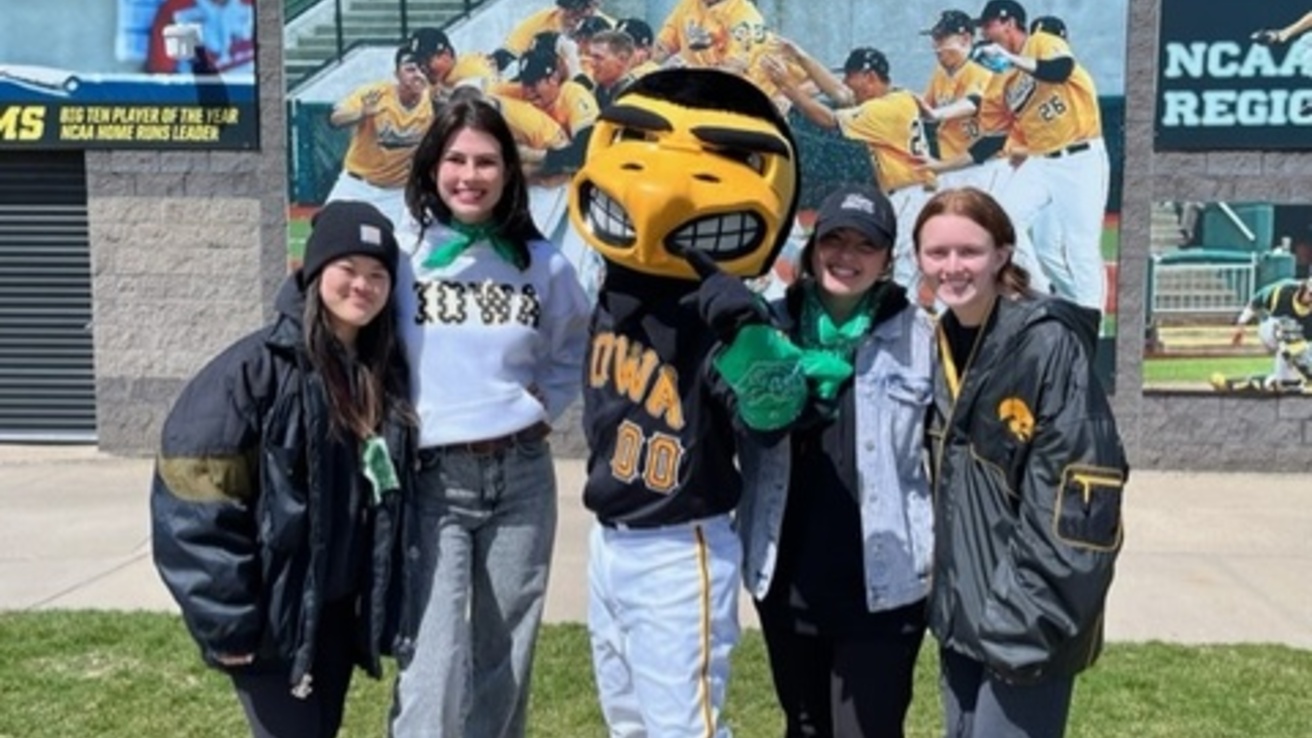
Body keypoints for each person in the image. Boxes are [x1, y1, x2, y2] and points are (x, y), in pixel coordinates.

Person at [566, 68, 802, 738]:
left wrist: (747, 328)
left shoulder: (720, 310)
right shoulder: (614, 290)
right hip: (609, 539)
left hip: (680, 546)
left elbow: (772, 411)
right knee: (630, 725)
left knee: (684, 730)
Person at [150, 200, 414, 738]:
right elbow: (192, 503)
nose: (361, 285)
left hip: (334, 615)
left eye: (377, 274)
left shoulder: (380, 373)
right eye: (348, 269)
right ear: (315, 273)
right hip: (272, 619)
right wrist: (229, 622)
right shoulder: (250, 373)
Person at [388, 94, 591, 738]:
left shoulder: (541, 264)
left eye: (486, 161)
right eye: (455, 159)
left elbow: (573, 349)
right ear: (430, 168)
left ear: (508, 173)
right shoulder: (402, 256)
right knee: (434, 655)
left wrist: (542, 407)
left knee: (505, 656)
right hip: (432, 482)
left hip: (522, 477)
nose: (469, 176)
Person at [913, 187, 1127, 738]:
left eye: (970, 252)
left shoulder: (1045, 344)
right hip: (964, 618)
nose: (952, 267)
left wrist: (1029, 622)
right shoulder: (943, 340)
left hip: (1028, 621)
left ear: (1003, 254)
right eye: (937, 253)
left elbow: (1084, 506)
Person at [737, 184, 935, 737]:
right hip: (785, 579)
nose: (846, 257)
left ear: (886, 259)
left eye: (864, 246)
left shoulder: (920, 339)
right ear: (812, 246)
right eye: (835, 240)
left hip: (882, 587)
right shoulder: (764, 329)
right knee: (802, 726)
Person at [972, 0, 1110, 313]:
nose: (984, 32)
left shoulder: (1042, 41)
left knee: (1081, 247)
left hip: (1081, 156)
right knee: (1001, 221)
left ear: (1008, 23)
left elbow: (1060, 70)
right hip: (1042, 161)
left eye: (988, 24)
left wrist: (1010, 59)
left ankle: (1091, 325)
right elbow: (992, 137)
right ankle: (1040, 291)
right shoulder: (1001, 81)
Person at [767, 45, 936, 295]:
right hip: (913, 193)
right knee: (903, 271)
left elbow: (828, 120)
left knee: (904, 274)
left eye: (851, 76)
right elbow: (840, 93)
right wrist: (801, 55)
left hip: (909, 196)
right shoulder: (897, 96)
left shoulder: (882, 110)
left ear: (870, 77)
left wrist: (787, 88)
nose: (847, 83)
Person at [325, 45, 434, 227]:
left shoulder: (432, 102)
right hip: (357, 184)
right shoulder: (376, 94)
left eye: (422, 69)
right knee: (328, 230)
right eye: (410, 69)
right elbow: (334, 119)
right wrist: (360, 114)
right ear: (396, 74)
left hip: (397, 192)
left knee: (402, 246)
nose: (417, 74)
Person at [1224, 277, 1312, 389]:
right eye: (1311, 294)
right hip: (1269, 328)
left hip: (1290, 347)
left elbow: (1306, 345)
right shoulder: (1283, 290)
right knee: (1288, 328)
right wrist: (1241, 325)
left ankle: (1266, 382)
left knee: (1291, 386)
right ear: (1303, 289)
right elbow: (1255, 302)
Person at [654, 0, 766, 72]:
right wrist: (666, 60)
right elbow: (659, 51)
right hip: (688, 89)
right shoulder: (688, 4)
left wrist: (690, 71)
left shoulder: (747, 16)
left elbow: (735, 71)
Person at [405, 27, 498, 103]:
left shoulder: (472, 73)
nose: (423, 67)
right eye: (419, 62)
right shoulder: (441, 78)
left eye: (427, 60)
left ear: (447, 54)